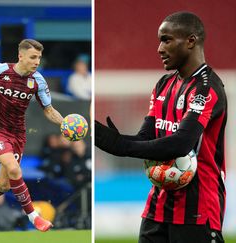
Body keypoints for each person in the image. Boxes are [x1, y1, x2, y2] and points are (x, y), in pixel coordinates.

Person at [95, 12, 226, 243]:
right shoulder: (164, 84)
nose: (159, 48)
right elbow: (145, 137)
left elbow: (180, 143)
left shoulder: (206, 89)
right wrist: (101, 137)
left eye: (166, 40)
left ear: (190, 41)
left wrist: (122, 145)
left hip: (197, 211)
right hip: (158, 206)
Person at [0, 39, 64, 232]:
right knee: (14, 169)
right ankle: (34, 217)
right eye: (33, 57)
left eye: (39, 58)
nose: (36, 61)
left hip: (18, 135)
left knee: (4, 185)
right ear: (20, 56)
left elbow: (48, 110)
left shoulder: (38, 80)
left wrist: (63, 122)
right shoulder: (0, 70)